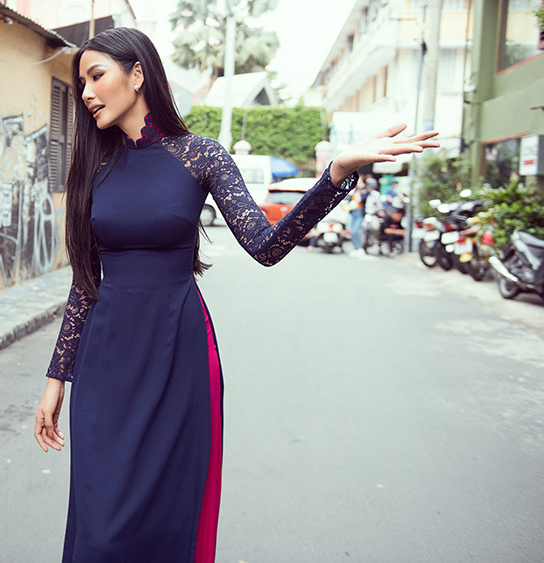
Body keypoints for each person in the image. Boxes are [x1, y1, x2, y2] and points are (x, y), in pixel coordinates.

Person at [32, 27, 438, 563]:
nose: (85, 92)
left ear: (137, 74)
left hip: (176, 354)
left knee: (162, 519)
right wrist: (57, 378)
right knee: (99, 528)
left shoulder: (201, 156)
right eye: (81, 81)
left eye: (96, 76)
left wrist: (336, 174)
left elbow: (266, 246)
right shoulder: (94, 165)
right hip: (104, 363)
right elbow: (85, 280)